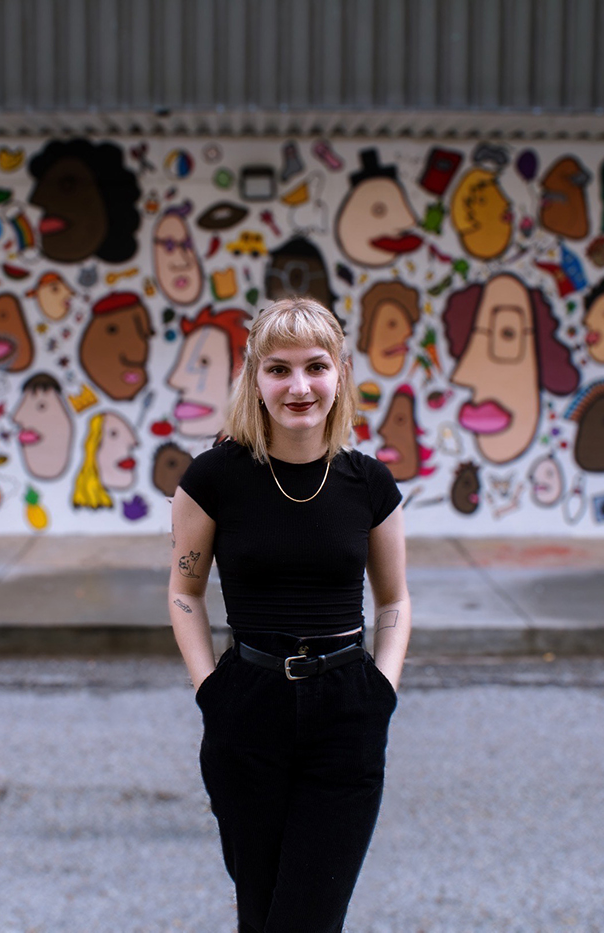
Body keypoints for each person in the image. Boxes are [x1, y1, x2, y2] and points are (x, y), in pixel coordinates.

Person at [169, 296, 410, 932]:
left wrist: (382, 688)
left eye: (315, 366)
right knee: (262, 911)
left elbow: (395, 599)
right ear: (255, 378)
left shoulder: (369, 483)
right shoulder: (213, 479)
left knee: (308, 918)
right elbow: (185, 591)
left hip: (346, 711)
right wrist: (210, 692)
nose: (298, 386)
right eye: (278, 369)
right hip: (246, 707)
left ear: (340, 373)